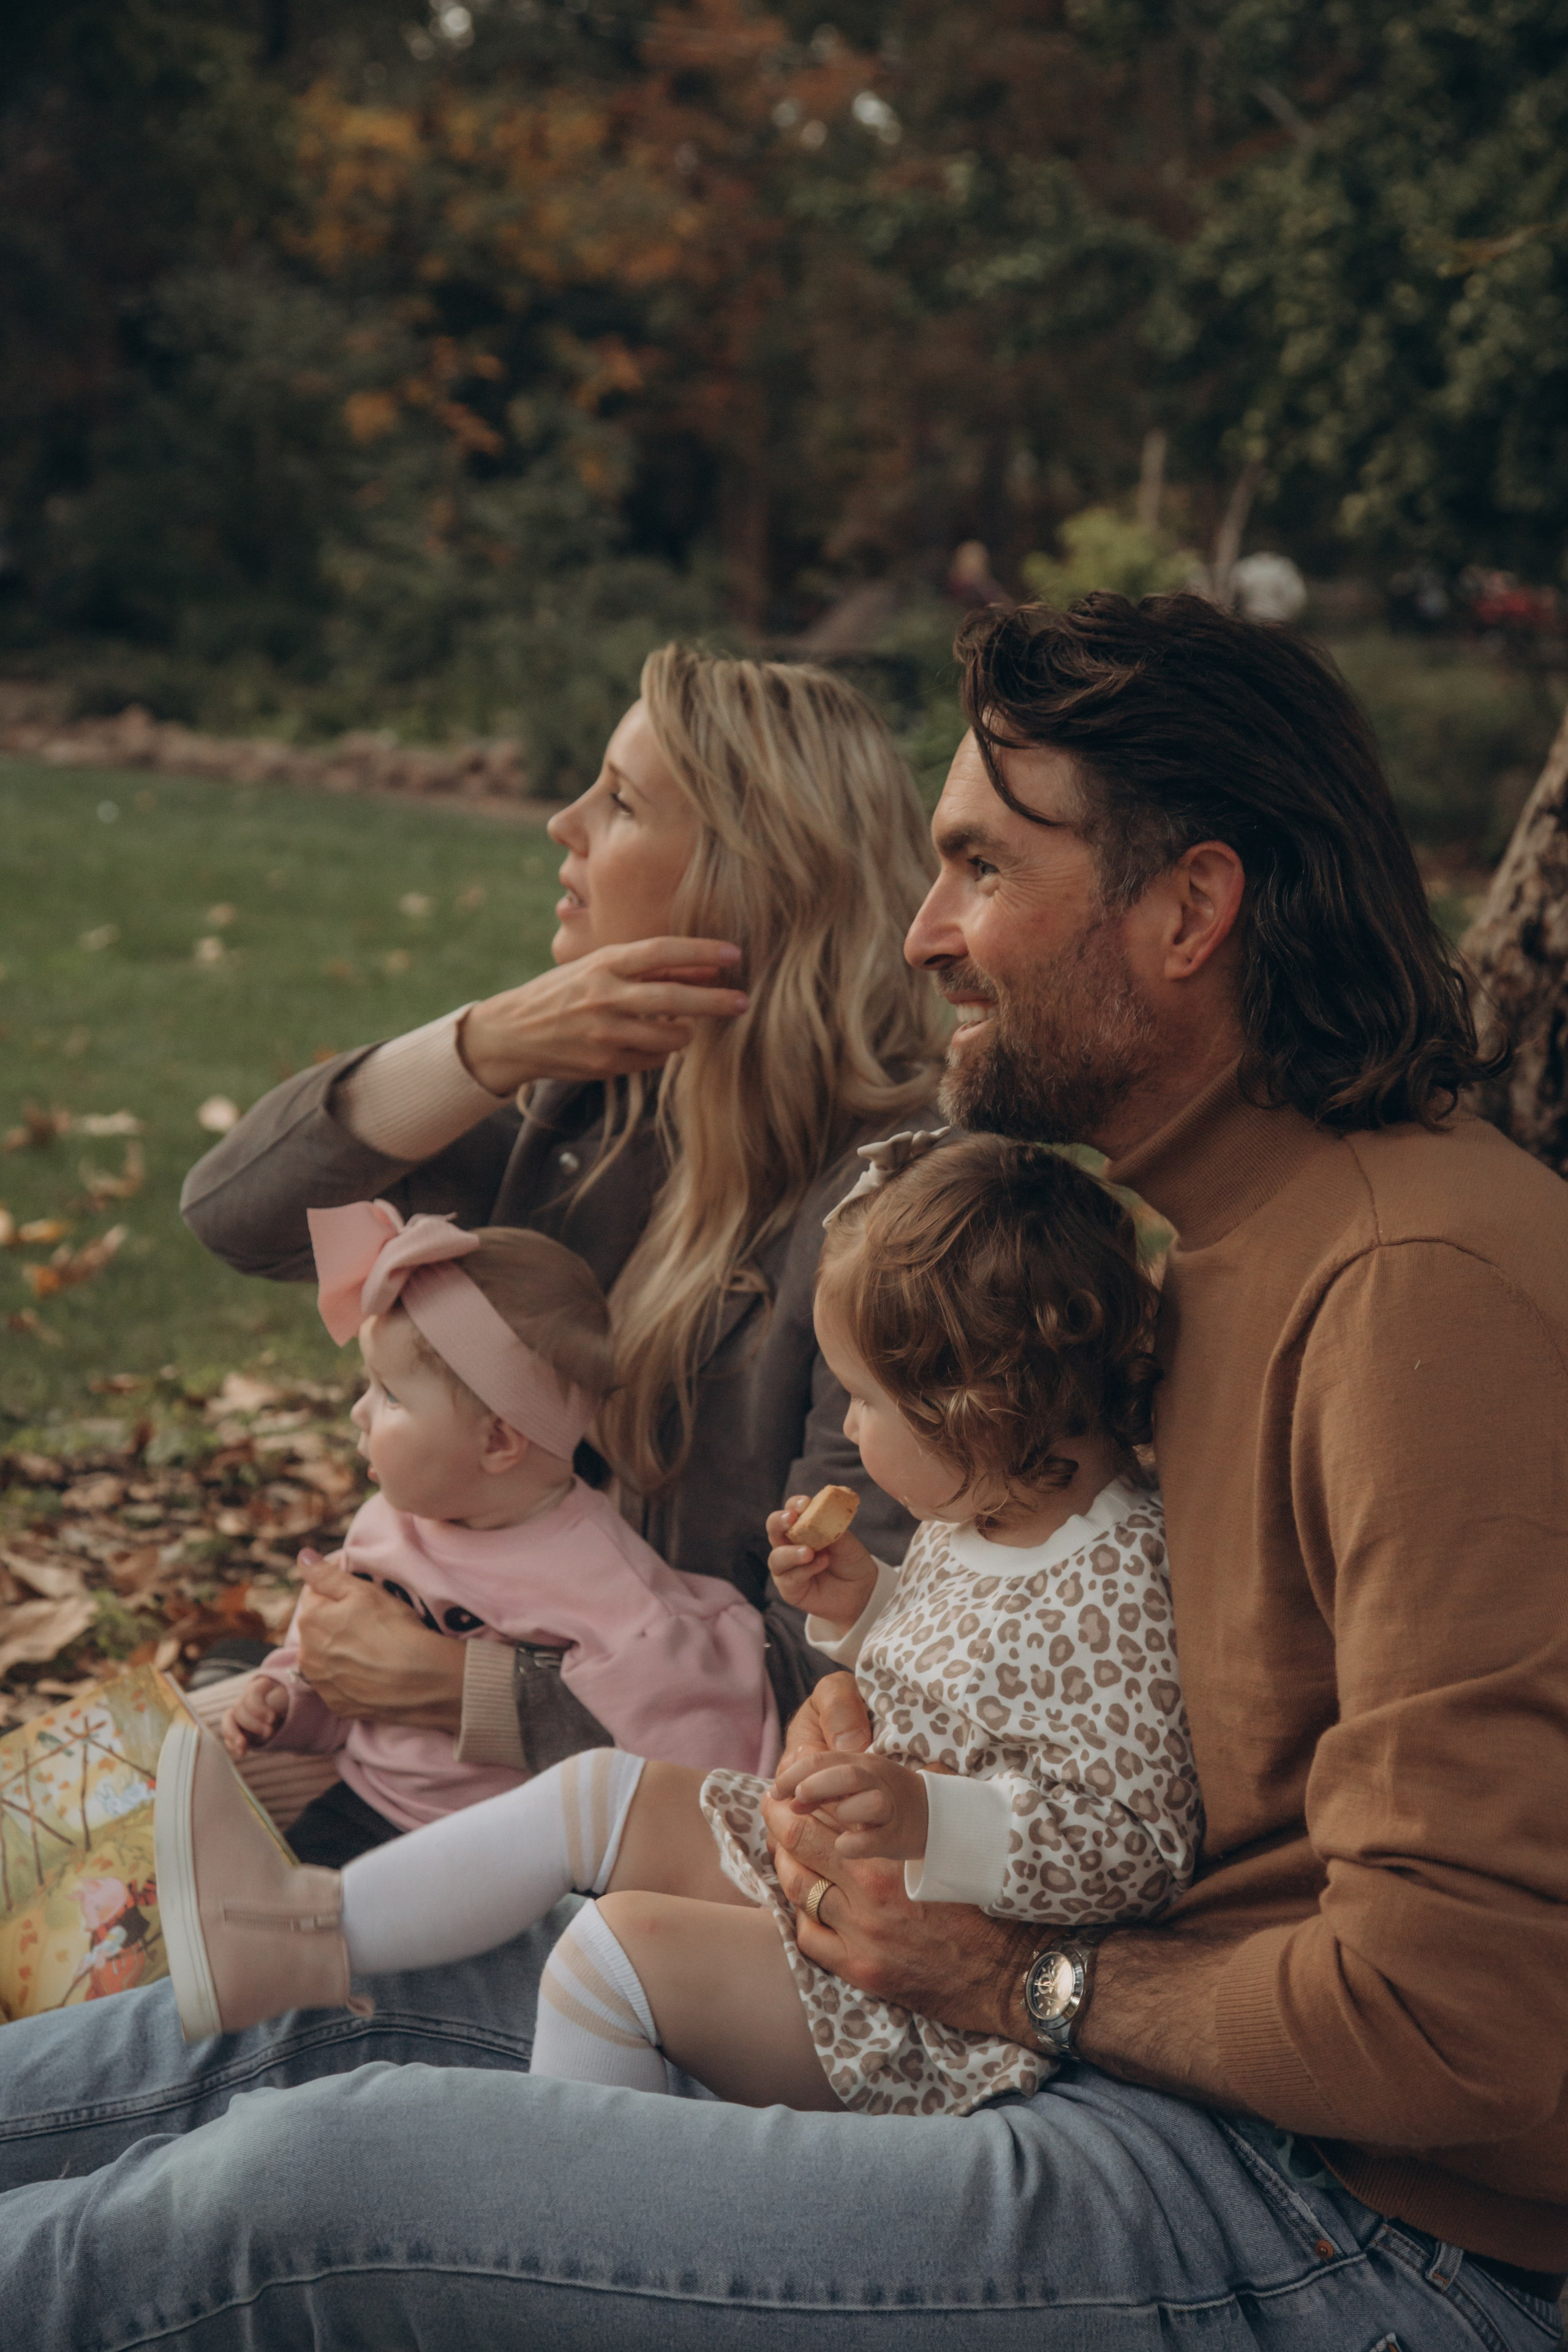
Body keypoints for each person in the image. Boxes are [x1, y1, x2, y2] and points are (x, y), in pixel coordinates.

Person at [4, 592, 1567, 2351]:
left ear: (1191, 907)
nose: (927, 933)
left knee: (299, 2200)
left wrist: (1018, 1977)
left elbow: (1466, 2019)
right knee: (305, 2015)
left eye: (981, 867)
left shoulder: (1420, 1292)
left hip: (1335, 2219)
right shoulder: (1217, 1247)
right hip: (1056, 2018)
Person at [153, 1133, 1200, 2117]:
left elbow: (1138, 1845)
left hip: (931, 1999)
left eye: (865, 1404)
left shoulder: (1108, 1588)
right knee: (592, 1793)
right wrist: (863, 1609)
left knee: (613, 1957)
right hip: (851, 1877)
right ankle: (299, 1935)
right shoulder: (987, 1512)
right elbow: (966, 1675)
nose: (845, 1429)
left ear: (977, 1410)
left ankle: (591, 2243)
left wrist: (931, 1816)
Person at [180, 645, 945, 1768]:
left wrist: (472, 1693)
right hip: (415, 1748)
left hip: (667, 1849)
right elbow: (238, 1212)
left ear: (747, 875)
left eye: (622, 801)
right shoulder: (592, 1112)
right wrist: (480, 1047)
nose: (563, 824)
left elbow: (841, 1665)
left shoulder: (903, 1212)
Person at [221, 1203, 777, 1869]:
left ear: (496, 1441)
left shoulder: (607, 1591)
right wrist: (287, 1698)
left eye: (390, 1395)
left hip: (506, 1858)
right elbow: (344, 1675)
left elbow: (687, 1763)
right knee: (260, 1904)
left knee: (329, 1942)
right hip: (367, 1807)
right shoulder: (392, 1519)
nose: (358, 1412)